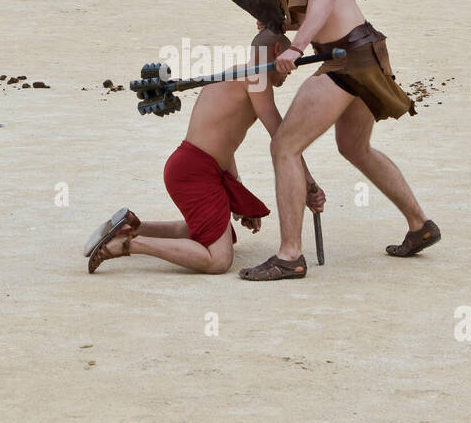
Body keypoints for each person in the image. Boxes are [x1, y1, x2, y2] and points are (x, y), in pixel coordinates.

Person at [197, 0, 439, 281]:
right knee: (355, 147)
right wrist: (275, 31)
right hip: (363, 51)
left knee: (285, 147)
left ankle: (290, 255)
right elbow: (301, 10)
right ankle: (420, 225)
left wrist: (296, 48)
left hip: (345, 58)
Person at [84, 29, 325, 274]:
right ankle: (127, 245)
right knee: (218, 259)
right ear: (276, 51)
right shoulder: (256, 77)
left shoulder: (236, 74)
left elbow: (225, 144)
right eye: (292, 59)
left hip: (193, 166)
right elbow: (282, 137)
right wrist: (308, 184)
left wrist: (236, 195)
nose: (293, 68)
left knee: (209, 231)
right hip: (194, 171)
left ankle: (133, 227)